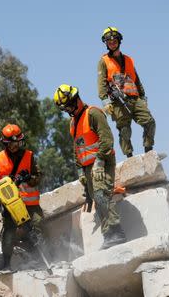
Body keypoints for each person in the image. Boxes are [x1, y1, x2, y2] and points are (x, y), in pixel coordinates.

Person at [54, 84, 126, 249]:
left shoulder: (93, 113)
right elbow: (77, 149)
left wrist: (99, 162)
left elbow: (107, 140)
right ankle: (109, 235)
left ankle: (116, 232)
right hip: (87, 168)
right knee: (96, 199)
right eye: (65, 108)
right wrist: (80, 170)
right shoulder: (73, 123)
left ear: (76, 98)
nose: (69, 110)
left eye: (69, 105)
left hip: (103, 161)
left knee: (101, 195)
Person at [0, 124, 44, 268]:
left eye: (16, 143)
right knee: (9, 232)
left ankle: (39, 261)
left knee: (37, 227)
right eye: (10, 143)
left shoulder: (29, 156)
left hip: (30, 204)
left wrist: (29, 177)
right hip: (10, 205)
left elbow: (39, 176)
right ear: (5, 143)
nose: (13, 146)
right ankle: (7, 264)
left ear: (20, 141)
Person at [98, 26, 156, 157]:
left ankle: (148, 150)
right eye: (109, 41)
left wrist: (143, 97)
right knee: (124, 130)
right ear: (106, 43)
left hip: (135, 99)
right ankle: (129, 157)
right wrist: (105, 101)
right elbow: (101, 83)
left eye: (114, 40)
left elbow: (137, 79)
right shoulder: (103, 62)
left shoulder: (129, 59)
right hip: (118, 101)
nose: (112, 43)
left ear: (119, 40)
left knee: (150, 121)